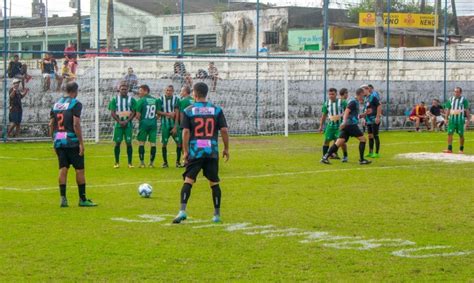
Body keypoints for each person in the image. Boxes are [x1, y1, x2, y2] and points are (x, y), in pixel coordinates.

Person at [172, 82, 229, 224]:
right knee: (214, 182)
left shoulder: (188, 110)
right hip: (211, 150)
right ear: (206, 93)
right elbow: (224, 130)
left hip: (195, 150)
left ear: (194, 94)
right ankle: (216, 215)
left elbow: (185, 131)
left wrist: (185, 151)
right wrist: (226, 148)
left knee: (188, 180)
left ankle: (182, 211)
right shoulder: (216, 110)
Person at [49, 82, 97, 207]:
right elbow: (76, 124)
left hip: (59, 139)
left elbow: (51, 124)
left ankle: (63, 199)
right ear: (75, 91)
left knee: (63, 168)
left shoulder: (56, 104)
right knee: (79, 170)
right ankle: (82, 199)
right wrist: (81, 143)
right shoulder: (76, 104)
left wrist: (53, 140)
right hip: (72, 140)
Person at [320, 88, 371, 165]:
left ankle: (325, 157)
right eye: (363, 96)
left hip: (347, 125)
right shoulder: (353, 102)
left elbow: (353, 115)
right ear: (360, 94)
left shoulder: (354, 101)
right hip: (351, 125)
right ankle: (361, 159)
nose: (364, 98)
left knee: (338, 143)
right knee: (363, 139)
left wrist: (364, 114)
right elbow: (347, 111)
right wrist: (344, 122)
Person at [109, 83, 137, 168]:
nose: (124, 90)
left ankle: (130, 163)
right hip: (118, 125)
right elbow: (112, 112)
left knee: (129, 143)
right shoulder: (114, 99)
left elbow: (134, 111)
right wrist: (119, 121)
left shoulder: (131, 100)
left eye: (125, 89)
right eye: (122, 89)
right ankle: (116, 162)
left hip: (128, 125)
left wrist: (127, 120)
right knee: (117, 143)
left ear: (128, 90)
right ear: (119, 90)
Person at [318, 88, 348, 162]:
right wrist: (321, 126)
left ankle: (345, 156)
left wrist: (341, 116)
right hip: (330, 126)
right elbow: (324, 115)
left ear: (336, 94)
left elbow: (348, 111)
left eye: (332, 94)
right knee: (326, 141)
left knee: (341, 142)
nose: (331, 96)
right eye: (329, 94)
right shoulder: (326, 103)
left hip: (340, 126)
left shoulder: (342, 102)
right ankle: (325, 157)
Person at [135, 85, 160, 168]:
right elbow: (158, 113)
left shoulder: (141, 100)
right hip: (153, 124)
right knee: (153, 144)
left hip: (144, 124)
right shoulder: (155, 100)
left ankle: (142, 163)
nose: (139, 92)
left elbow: (137, 115)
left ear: (146, 91)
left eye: (141, 90)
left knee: (141, 143)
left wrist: (143, 120)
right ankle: (151, 163)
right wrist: (153, 119)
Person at [157, 85, 181, 168]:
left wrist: (175, 126)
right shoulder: (160, 99)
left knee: (179, 143)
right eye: (167, 90)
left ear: (173, 91)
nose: (168, 92)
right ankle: (165, 162)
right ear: (165, 90)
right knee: (164, 144)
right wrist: (167, 114)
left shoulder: (176, 99)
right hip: (165, 125)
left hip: (174, 125)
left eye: (170, 90)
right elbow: (158, 111)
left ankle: (178, 162)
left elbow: (177, 113)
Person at [443, 87, 470, 154]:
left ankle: (461, 149)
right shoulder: (451, 99)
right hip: (452, 120)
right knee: (449, 134)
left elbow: (467, 110)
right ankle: (449, 149)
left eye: (457, 92)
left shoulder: (464, 100)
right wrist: (446, 119)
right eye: (455, 91)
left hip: (460, 120)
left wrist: (468, 120)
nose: (456, 93)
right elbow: (448, 110)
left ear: (460, 92)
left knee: (461, 134)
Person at [362, 84, 382, 158]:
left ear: (367, 89)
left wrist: (377, 117)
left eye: (363, 90)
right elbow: (365, 109)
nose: (362, 92)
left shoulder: (373, 97)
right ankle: (370, 152)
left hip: (374, 119)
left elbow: (379, 106)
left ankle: (376, 153)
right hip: (368, 119)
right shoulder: (365, 98)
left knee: (375, 135)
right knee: (370, 136)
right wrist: (364, 119)